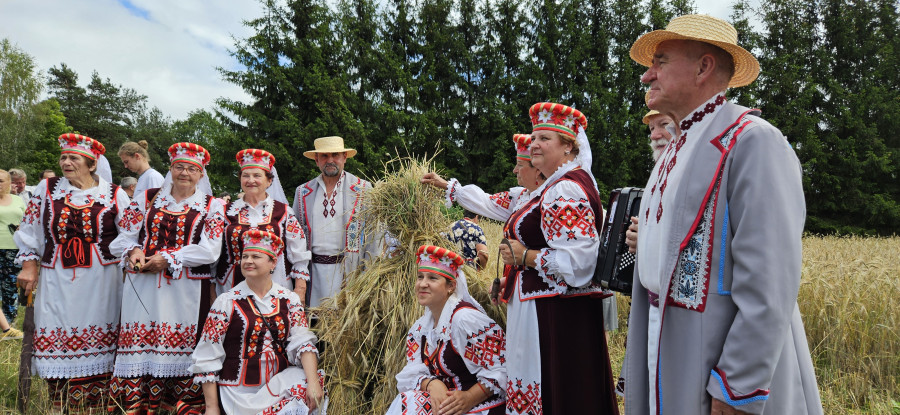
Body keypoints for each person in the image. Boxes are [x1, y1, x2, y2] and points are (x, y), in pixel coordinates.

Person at [623, 14, 823, 414]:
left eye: (660, 61)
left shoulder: (754, 142)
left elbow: (769, 283)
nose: (647, 75)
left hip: (712, 359)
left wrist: (736, 387)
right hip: (664, 345)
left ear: (703, 67)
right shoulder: (674, 149)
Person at [497, 103, 618, 413]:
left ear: (567, 146)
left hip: (557, 315)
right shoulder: (556, 185)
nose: (534, 144)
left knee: (561, 392)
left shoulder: (565, 189)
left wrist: (525, 256)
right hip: (549, 308)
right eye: (534, 137)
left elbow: (579, 263)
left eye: (544, 138)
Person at [14, 133, 131, 410]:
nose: (66, 162)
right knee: (55, 325)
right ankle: (60, 400)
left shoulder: (114, 193)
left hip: (102, 278)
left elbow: (129, 234)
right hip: (57, 273)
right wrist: (29, 265)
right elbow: (30, 228)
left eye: (74, 158)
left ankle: (96, 402)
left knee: (102, 325)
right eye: (63, 157)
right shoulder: (47, 189)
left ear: (92, 164)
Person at [110, 142, 225, 414]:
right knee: (141, 340)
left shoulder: (212, 205)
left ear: (201, 174)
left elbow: (210, 249)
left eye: (192, 169)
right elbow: (122, 238)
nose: (185, 173)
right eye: (179, 167)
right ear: (170, 169)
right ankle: (138, 405)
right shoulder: (147, 198)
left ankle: (179, 406)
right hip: (144, 284)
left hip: (186, 288)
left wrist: (169, 258)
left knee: (182, 342)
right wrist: (134, 251)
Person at [192, 230, 325, 415]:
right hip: (238, 393)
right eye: (244, 256)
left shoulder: (289, 299)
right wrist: (212, 407)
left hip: (278, 384)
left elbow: (302, 342)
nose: (248, 261)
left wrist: (313, 383)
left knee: (310, 386)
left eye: (256, 256)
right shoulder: (226, 302)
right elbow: (207, 355)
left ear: (273, 263)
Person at [387, 245, 507, 415]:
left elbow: (503, 366)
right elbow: (411, 372)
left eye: (432, 278)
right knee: (408, 401)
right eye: (420, 277)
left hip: (482, 406)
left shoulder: (464, 320)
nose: (422, 284)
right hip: (448, 405)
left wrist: (469, 397)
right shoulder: (420, 329)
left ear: (451, 286)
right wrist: (431, 384)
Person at [292, 136, 381, 307]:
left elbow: (374, 236)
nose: (330, 160)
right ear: (317, 160)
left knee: (345, 320)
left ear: (344, 157)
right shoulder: (303, 192)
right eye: (324, 156)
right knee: (313, 320)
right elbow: (294, 238)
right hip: (312, 274)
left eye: (335, 155)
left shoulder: (363, 189)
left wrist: (369, 277)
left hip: (349, 271)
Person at [216, 149, 311, 301]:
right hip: (232, 286)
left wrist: (300, 289)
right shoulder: (224, 212)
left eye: (257, 175)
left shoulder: (284, 212)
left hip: (276, 285)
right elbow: (215, 254)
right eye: (246, 175)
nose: (250, 180)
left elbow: (299, 254)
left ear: (269, 181)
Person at [421, 134, 544, 222]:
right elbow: (485, 201)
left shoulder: (550, 200)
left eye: (520, 165)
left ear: (538, 170)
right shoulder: (519, 198)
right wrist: (446, 185)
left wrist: (524, 251)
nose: (515, 170)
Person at [624, 99, 676, 254]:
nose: (654, 135)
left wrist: (648, 239)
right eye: (651, 128)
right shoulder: (660, 175)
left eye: (664, 124)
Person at [0, 169, 25, 325]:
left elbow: (28, 220)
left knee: (10, 285)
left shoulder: (18, 200)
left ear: (9, 183)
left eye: (1, 181)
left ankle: (9, 322)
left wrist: (22, 227)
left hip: (14, 248)